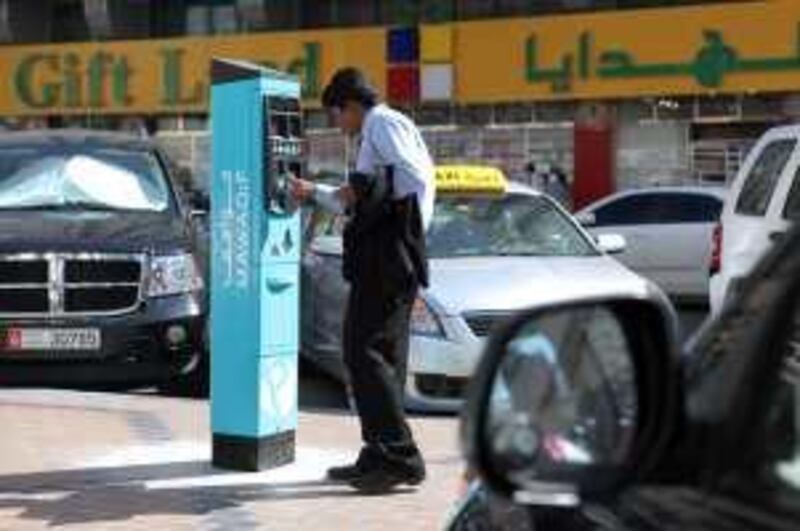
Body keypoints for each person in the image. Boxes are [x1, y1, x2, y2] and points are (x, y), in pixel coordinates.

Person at [289, 67, 435, 493]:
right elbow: (356, 197)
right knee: (375, 355)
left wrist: (391, 217)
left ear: (351, 105)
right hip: (387, 255)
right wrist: (316, 192)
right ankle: (378, 452)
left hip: (390, 257)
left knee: (363, 351)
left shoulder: (383, 124)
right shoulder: (378, 129)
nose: (340, 125)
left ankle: (400, 456)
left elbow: (412, 178)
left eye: (338, 115)